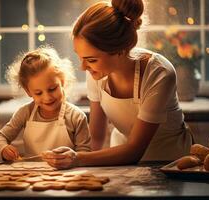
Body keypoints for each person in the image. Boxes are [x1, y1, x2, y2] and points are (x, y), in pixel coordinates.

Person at [42, 0, 193, 169]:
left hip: (170, 163)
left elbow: (134, 150)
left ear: (121, 50)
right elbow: (97, 137)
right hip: (121, 161)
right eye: (81, 57)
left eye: (91, 59)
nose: (83, 67)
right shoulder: (97, 72)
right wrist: (73, 161)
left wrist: (78, 158)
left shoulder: (158, 73)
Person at [0, 46, 91, 161]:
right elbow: (0, 137)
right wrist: (3, 149)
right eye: (38, 93)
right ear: (28, 92)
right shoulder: (25, 113)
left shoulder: (76, 117)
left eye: (52, 89)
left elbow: (84, 154)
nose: (47, 97)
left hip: (67, 174)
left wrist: (73, 159)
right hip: (32, 175)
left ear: (62, 82)